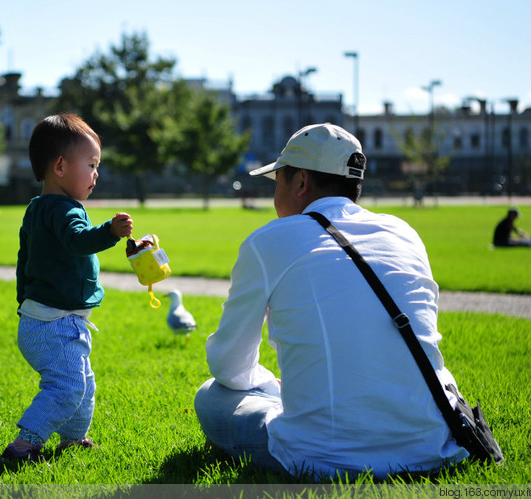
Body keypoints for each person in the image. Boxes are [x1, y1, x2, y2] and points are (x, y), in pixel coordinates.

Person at [194, 123, 469, 479]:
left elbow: (228, 365)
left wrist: (267, 384)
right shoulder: (404, 233)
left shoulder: (269, 240)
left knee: (211, 395)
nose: (274, 193)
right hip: (433, 445)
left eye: (277, 180)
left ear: (301, 182)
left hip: (323, 457)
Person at [2, 113, 133, 462]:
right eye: (90, 165)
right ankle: (24, 445)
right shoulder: (65, 211)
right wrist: (109, 232)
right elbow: (78, 241)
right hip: (56, 323)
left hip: (42, 319)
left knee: (83, 384)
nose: (96, 174)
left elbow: (24, 259)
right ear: (60, 166)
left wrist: (23, 302)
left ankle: (74, 439)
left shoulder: (38, 208)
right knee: (67, 386)